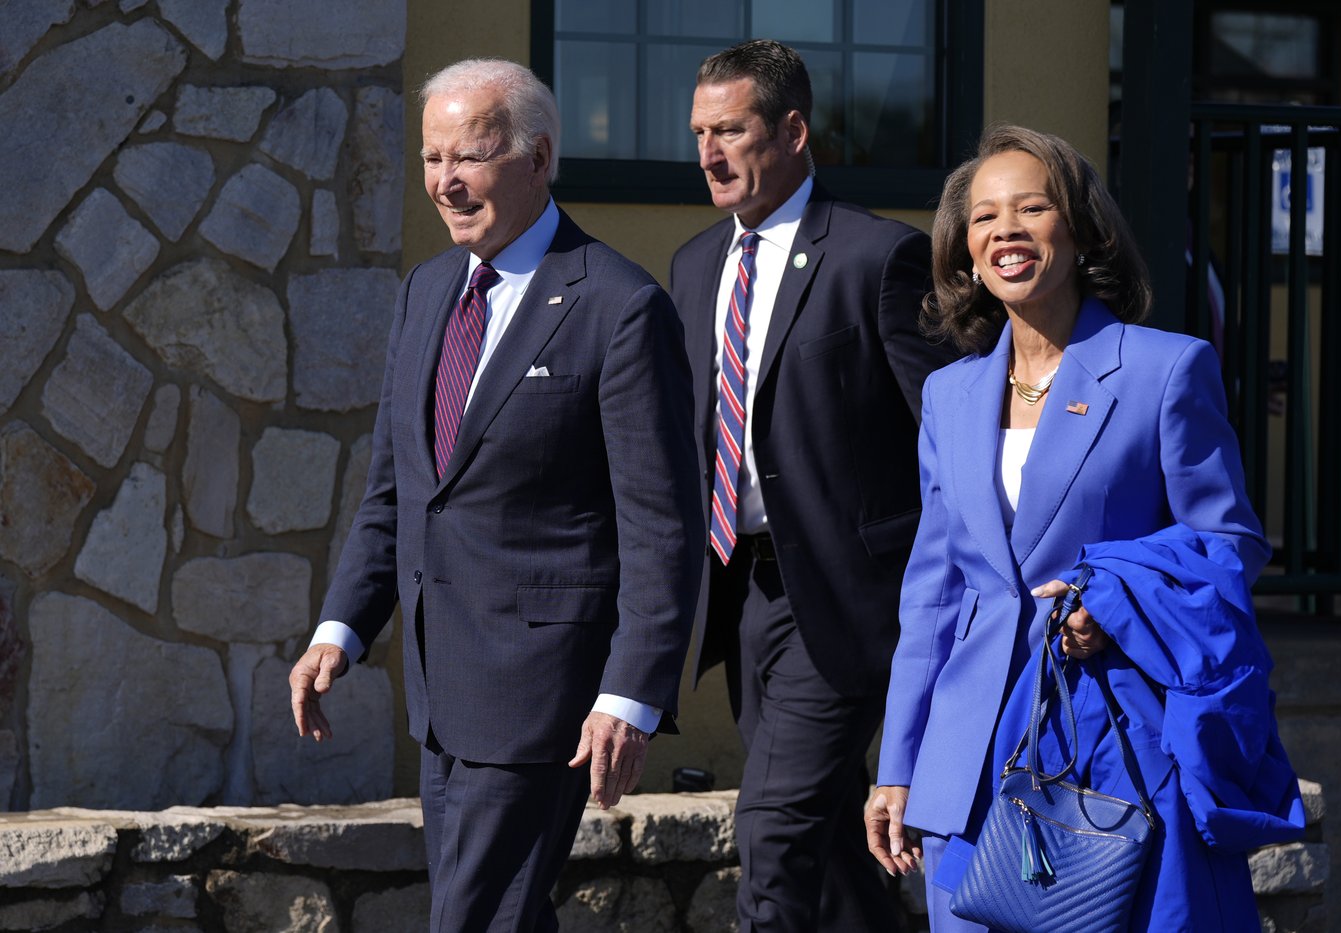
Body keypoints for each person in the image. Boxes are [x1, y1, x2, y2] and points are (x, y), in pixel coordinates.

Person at [288, 59, 703, 931]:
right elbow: (399, 489)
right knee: (497, 915)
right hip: (444, 696)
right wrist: (342, 625)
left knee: (475, 920)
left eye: (468, 156)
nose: (445, 181)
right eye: (432, 157)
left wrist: (629, 693)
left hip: (545, 696)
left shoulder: (619, 306)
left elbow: (661, 527)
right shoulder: (427, 289)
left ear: (538, 157)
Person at [866, 124, 1300, 930]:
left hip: (1114, 742)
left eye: (1032, 208)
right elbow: (932, 594)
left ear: (1084, 228)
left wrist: (1118, 598)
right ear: (965, 247)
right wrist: (899, 764)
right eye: (985, 217)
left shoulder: (1165, 368)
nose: (1006, 231)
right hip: (969, 755)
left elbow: (1230, 544)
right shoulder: (952, 394)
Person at [670, 39, 955, 932]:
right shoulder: (694, 266)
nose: (710, 153)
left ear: (793, 131)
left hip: (845, 594)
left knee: (771, 830)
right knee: (828, 835)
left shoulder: (880, 257)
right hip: (743, 590)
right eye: (699, 133)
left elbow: (948, 434)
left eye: (731, 130)